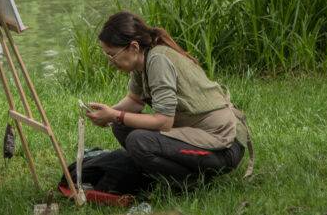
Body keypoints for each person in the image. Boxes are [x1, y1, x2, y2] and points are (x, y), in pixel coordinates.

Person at [83, 11, 252, 195]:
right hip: (197, 135)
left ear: (133, 47)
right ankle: (167, 174)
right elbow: (134, 101)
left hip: (224, 148)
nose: (110, 62)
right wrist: (107, 115)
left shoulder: (158, 60)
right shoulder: (142, 61)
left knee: (138, 141)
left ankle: (191, 183)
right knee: (121, 126)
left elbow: (164, 122)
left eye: (112, 55)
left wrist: (115, 115)